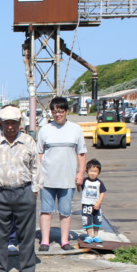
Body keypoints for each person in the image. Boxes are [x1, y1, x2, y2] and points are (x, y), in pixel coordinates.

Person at [0, 105, 42, 272]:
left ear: (20, 123)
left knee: (27, 234)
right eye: (7, 123)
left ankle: (28, 269)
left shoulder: (28, 141)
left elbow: (36, 167)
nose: (10, 127)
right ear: (1, 123)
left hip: (24, 191)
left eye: (14, 123)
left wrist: (35, 190)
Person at [36, 97, 87, 251]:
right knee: (46, 211)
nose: (57, 114)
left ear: (66, 111)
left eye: (60, 111)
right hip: (48, 178)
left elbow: (82, 153)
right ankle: (45, 241)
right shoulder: (44, 130)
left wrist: (81, 173)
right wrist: (39, 174)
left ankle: (65, 241)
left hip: (68, 179)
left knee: (65, 211)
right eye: (54, 111)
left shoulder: (76, 129)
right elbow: (39, 152)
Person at [80, 159, 106, 244]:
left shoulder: (99, 183)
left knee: (97, 221)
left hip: (96, 206)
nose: (93, 173)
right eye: (91, 171)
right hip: (86, 205)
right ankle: (89, 235)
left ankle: (96, 235)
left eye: (95, 171)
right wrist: (77, 184)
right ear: (87, 171)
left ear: (99, 173)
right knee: (87, 221)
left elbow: (102, 193)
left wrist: (98, 203)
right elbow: (79, 189)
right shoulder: (84, 181)